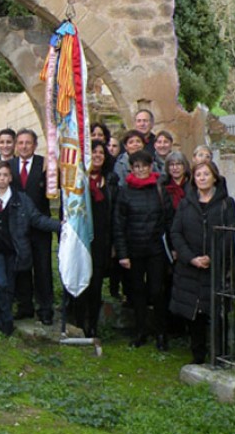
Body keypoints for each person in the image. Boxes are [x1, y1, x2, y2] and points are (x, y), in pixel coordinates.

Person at [0, 161, 61, 337]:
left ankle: (6, 317)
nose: (2, 179)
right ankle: (5, 319)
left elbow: (37, 219)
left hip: (14, 250)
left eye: (5, 175)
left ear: (10, 178)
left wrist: (59, 226)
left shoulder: (21, 199)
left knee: (9, 285)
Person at [170, 160, 235, 365]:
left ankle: (219, 355)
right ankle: (197, 355)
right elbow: (176, 232)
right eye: (198, 175)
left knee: (217, 312)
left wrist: (212, 257)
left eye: (206, 174)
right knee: (195, 314)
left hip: (215, 267)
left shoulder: (227, 203)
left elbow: (230, 233)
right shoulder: (185, 203)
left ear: (214, 177)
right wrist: (191, 258)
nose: (202, 178)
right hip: (191, 267)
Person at [114, 149, 174, 349]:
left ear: (151, 167)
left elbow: (169, 221)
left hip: (156, 249)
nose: (140, 170)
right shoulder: (125, 192)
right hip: (134, 250)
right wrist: (122, 254)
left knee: (157, 291)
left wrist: (172, 249)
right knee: (137, 292)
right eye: (137, 166)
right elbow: (119, 224)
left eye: (144, 166)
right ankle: (140, 332)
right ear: (132, 168)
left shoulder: (159, 189)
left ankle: (161, 333)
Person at [73, 140, 117, 338]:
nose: (97, 155)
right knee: (80, 280)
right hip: (81, 240)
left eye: (101, 152)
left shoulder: (110, 180)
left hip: (102, 240)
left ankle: (93, 325)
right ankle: (78, 322)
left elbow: (115, 212)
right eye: (94, 152)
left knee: (96, 284)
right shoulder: (77, 179)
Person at [11, 129, 54, 325]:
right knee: (22, 267)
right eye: (20, 143)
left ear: (35, 145)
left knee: (43, 268)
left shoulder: (45, 164)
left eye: (28, 143)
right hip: (19, 227)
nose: (24, 146)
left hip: (41, 226)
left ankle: (45, 308)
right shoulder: (10, 166)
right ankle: (25, 305)